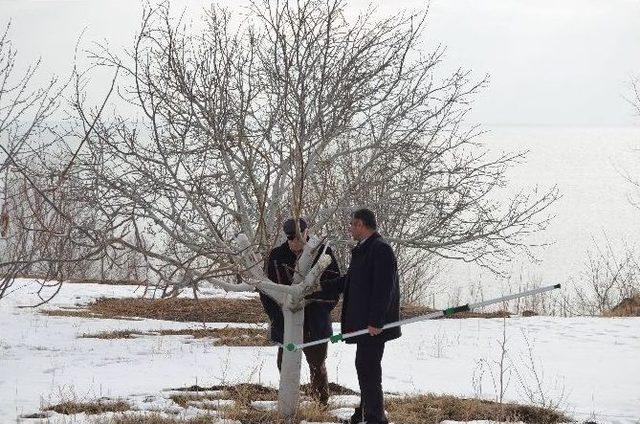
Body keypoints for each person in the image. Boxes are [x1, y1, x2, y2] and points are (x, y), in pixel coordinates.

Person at [320, 208, 401, 424]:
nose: (350, 228)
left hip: (373, 327)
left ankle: (375, 418)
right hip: (365, 325)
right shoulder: (364, 248)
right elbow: (352, 280)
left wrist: (377, 321)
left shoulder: (380, 249)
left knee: (369, 369)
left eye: (352, 224)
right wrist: (322, 287)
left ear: (360, 225)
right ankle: (365, 414)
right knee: (364, 367)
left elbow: (384, 288)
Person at [259, 217, 340, 405]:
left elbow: (334, 287)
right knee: (284, 363)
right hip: (284, 320)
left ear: (306, 233)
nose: (295, 242)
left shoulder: (323, 252)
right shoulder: (276, 255)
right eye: (290, 238)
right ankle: (289, 401)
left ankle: (320, 402)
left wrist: (316, 307)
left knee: (317, 363)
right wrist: (276, 316)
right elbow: (266, 290)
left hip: (315, 320)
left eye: (298, 237)